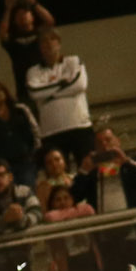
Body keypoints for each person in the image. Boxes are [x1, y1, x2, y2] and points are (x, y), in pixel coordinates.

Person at [23, 28, 94, 167]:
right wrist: (62, 84)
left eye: (52, 39)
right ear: (39, 47)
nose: (48, 44)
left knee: (88, 169)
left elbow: (79, 85)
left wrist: (49, 93)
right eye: (43, 41)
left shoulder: (73, 61)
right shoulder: (33, 71)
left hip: (80, 126)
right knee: (57, 177)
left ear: (59, 43)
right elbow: (34, 92)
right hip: (51, 132)